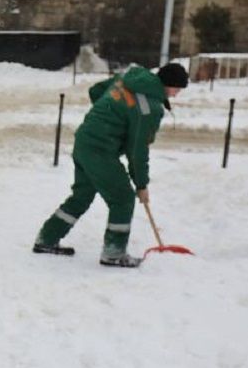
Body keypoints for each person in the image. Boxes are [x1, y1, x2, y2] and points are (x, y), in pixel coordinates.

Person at [34, 62, 189, 268]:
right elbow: (137, 150)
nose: (177, 94)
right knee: (123, 198)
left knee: (82, 195)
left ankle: (47, 239)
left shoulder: (131, 76)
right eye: (177, 89)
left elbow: (96, 90)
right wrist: (141, 184)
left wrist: (106, 118)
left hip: (84, 140)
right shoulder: (148, 108)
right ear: (168, 84)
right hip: (101, 150)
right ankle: (114, 253)